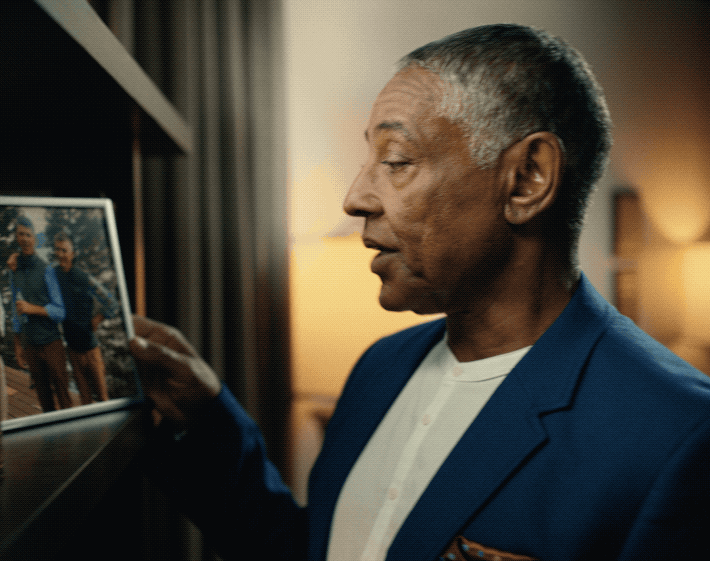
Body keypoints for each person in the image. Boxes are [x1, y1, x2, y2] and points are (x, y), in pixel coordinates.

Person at [129, 24, 710, 561]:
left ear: (527, 178)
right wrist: (206, 424)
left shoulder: (678, 436)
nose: (356, 197)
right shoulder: (380, 370)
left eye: (396, 160)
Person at [7, 216, 72, 411]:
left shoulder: (47, 270)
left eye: (28, 235)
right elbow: (14, 308)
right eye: (21, 235)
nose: (25, 239)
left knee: (64, 396)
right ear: (17, 237)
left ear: (34, 238)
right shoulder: (14, 268)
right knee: (44, 400)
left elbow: (60, 311)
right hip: (30, 344)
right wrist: (18, 344)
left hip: (51, 342)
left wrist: (32, 308)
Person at [51, 230, 119, 404]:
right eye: (57, 250)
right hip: (72, 350)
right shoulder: (54, 276)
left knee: (103, 398)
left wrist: (97, 319)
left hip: (91, 349)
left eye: (64, 250)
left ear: (73, 254)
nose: (60, 254)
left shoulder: (84, 278)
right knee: (85, 399)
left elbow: (111, 302)